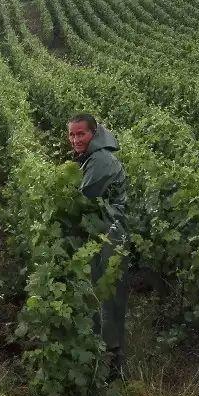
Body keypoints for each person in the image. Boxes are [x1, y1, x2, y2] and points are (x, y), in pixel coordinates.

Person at [67, 113, 127, 380]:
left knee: (106, 293)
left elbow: (83, 198)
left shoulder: (101, 159)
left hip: (109, 233)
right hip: (102, 230)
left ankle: (110, 361)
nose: (76, 139)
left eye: (81, 134)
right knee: (99, 290)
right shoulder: (93, 156)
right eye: (72, 134)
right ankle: (104, 355)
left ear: (94, 133)